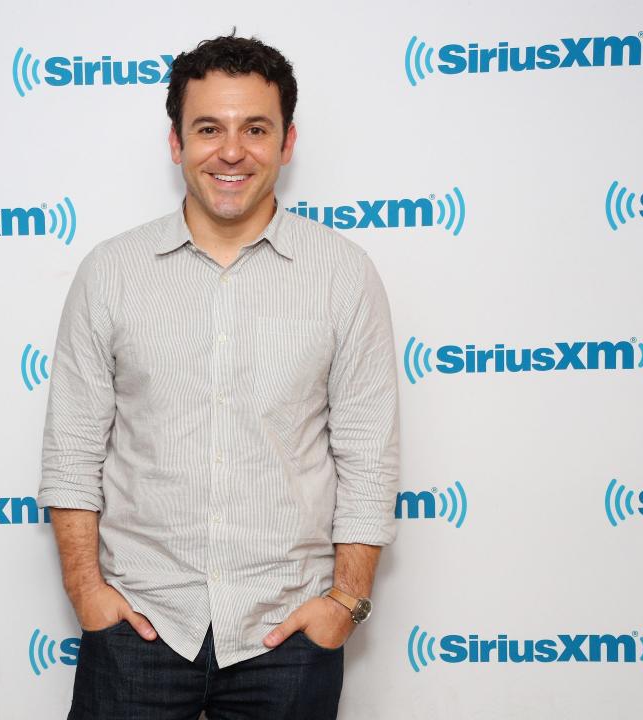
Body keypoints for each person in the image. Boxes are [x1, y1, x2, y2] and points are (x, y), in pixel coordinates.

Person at [39, 32, 399, 720]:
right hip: (138, 626)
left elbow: (368, 456)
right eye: (209, 128)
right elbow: (72, 451)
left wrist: (345, 604)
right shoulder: (111, 272)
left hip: (288, 633)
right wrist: (87, 590)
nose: (231, 151)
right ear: (175, 142)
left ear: (288, 142)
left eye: (254, 129)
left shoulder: (343, 276)